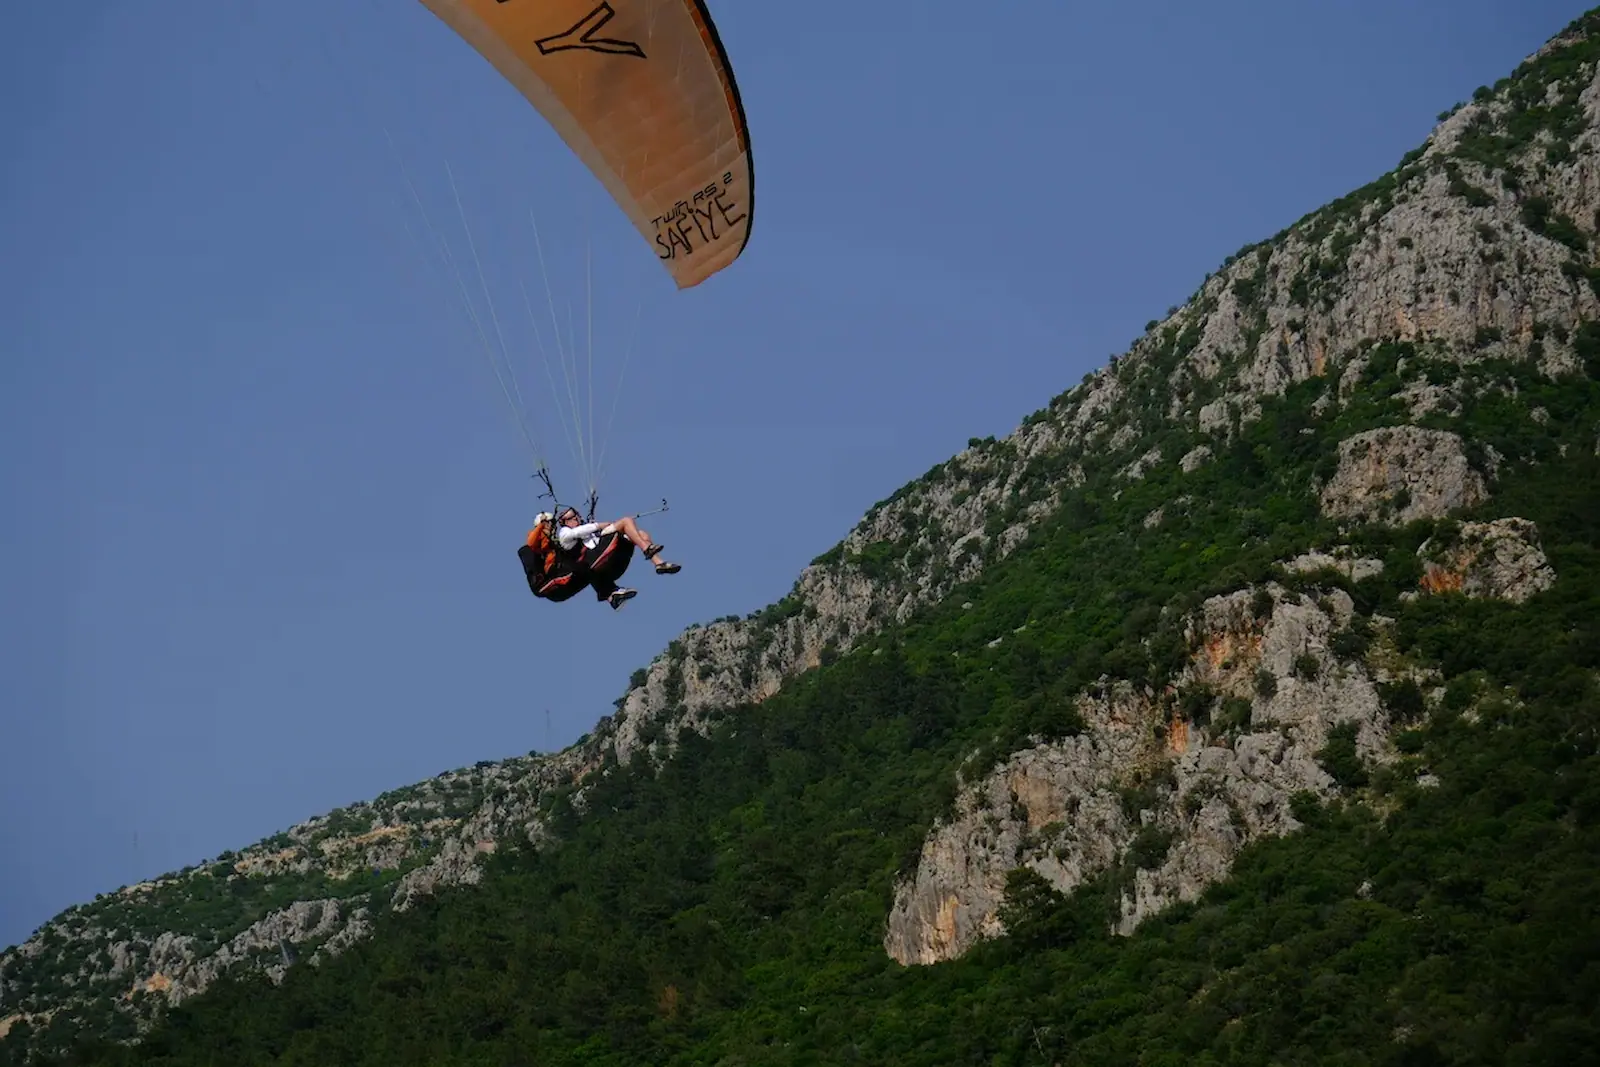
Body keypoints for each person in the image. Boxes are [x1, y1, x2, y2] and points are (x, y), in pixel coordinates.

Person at [554, 504, 680, 610]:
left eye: (576, 515)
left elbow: (593, 534)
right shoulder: (564, 534)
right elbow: (575, 533)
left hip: (611, 565)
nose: (576, 518)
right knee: (626, 521)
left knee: (641, 533)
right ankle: (647, 549)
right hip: (595, 561)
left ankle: (659, 563)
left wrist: (605, 528)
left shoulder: (587, 531)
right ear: (564, 522)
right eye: (571, 518)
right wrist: (599, 525)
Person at [517, 513, 591, 602]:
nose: (553, 526)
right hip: (552, 569)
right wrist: (542, 525)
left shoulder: (552, 540)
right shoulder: (538, 537)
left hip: (559, 566)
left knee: (583, 569)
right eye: (550, 523)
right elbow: (531, 543)